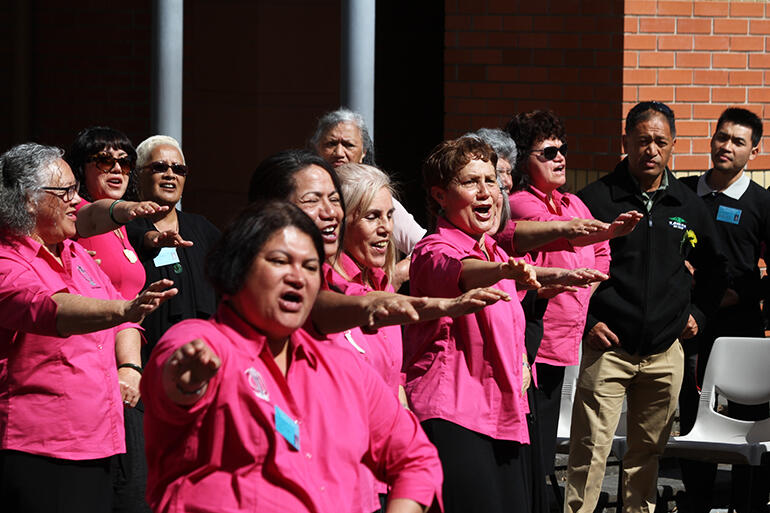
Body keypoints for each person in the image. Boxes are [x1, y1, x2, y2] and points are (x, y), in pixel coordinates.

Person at [141, 201, 443, 513]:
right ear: (237, 268)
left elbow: (416, 459)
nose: (297, 277)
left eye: (310, 266)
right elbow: (173, 380)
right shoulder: (205, 344)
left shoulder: (343, 367)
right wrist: (187, 383)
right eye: (280, 261)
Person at [405, 136, 605, 513]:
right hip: (455, 417)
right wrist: (503, 269)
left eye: (490, 181)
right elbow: (460, 272)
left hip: (504, 414)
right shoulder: (435, 249)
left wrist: (559, 275)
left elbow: (512, 276)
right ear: (440, 196)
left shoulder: (491, 248)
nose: (486, 192)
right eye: (470, 182)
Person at [564, 101, 729, 513]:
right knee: (588, 456)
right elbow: (564, 268)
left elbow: (716, 268)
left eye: (659, 141)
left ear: (673, 145)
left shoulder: (689, 205)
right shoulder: (595, 200)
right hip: (608, 350)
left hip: (664, 354)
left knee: (647, 458)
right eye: (641, 141)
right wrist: (589, 321)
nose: (650, 150)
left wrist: (699, 314)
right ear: (625, 142)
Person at [0, 143, 176, 513]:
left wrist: (130, 367)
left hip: (102, 440)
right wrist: (124, 308)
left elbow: (119, 314)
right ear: (29, 201)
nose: (75, 199)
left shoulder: (75, 251)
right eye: (64, 191)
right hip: (43, 447)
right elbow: (51, 309)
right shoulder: (6, 259)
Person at [678, 107, 770, 513]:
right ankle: (696, 501)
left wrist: (746, 294)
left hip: (741, 329)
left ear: (754, 149)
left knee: (749, 424)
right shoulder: (681, 193)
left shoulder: (761, 203)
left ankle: (747, 503)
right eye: (721, 138)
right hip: (688, 327)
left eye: (737, 141)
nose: (726, 147)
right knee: (690, 415)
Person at [126, 135, 221, 362]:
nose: (170, 174)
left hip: (203, 357)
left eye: (179, 169)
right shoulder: (124, 230)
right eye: (160, 167)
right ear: (138, 175)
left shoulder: (202, 228)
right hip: (146, 361)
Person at [310, 108, 427, 284]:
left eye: (348, 145)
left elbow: (425, 245)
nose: (339, 153)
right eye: (331, 144)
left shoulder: (376, 196)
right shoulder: (304, 195)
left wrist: (396, 276)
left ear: (364, 152)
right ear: (316, 149)